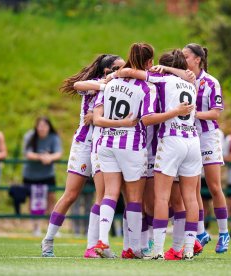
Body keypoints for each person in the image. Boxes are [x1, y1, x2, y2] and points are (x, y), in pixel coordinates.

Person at [116, 49, 200, 260]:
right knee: (191, 197)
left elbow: (129, 72)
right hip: (192, 140)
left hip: (171, 140)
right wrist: (176, 70)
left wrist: (113, 75)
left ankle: (158, 249)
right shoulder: (191, 83)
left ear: (162, 66)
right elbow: (187, 75)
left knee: (161, 197)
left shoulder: (161, 80)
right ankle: (188, 248)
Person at [40, 54, 124, 257]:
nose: (124, 71)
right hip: (84, 144)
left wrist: (97, 117)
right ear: (107, 71)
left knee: (102, 196)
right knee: (71, 194)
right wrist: (104, 86)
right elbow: (78, 85)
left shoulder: (121, 87)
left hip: (102, 144)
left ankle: (92, 247)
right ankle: (48, 239)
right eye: (119, 68)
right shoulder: (97, 84)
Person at [93, 43, 156, 259]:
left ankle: (102, 240)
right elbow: (146, 119)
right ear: (148, 62)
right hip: (131, 145)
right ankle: (133, 248)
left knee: (110, 193)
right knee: (134, 198)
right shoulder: (147, 87)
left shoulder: (111, 82)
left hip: (106, 143)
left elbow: (97, 117)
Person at [182, 43, 229, 254]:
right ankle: (201, 232)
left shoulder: (211, 82)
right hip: (189, 136)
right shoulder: (182, 79)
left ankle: (224, 232)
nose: (183, 59)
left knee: (214, 186)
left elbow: (215, 113)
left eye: (186, 56)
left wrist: (193, 115)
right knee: (192, 186)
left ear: (197, 60)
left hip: (208, 137)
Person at [23, 117, 62, 237]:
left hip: (47, 174)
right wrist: (41, 157)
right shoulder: (30, 136)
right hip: (31, 174)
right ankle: (36, 227)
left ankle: (51, 228)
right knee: (33, 201)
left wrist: (50, 158)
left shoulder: (54, 137)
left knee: (51, 198)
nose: (42, 128)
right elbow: (27, 153)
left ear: (49, 127)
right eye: (40, 125)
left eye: (45, 126)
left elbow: (58, 153)